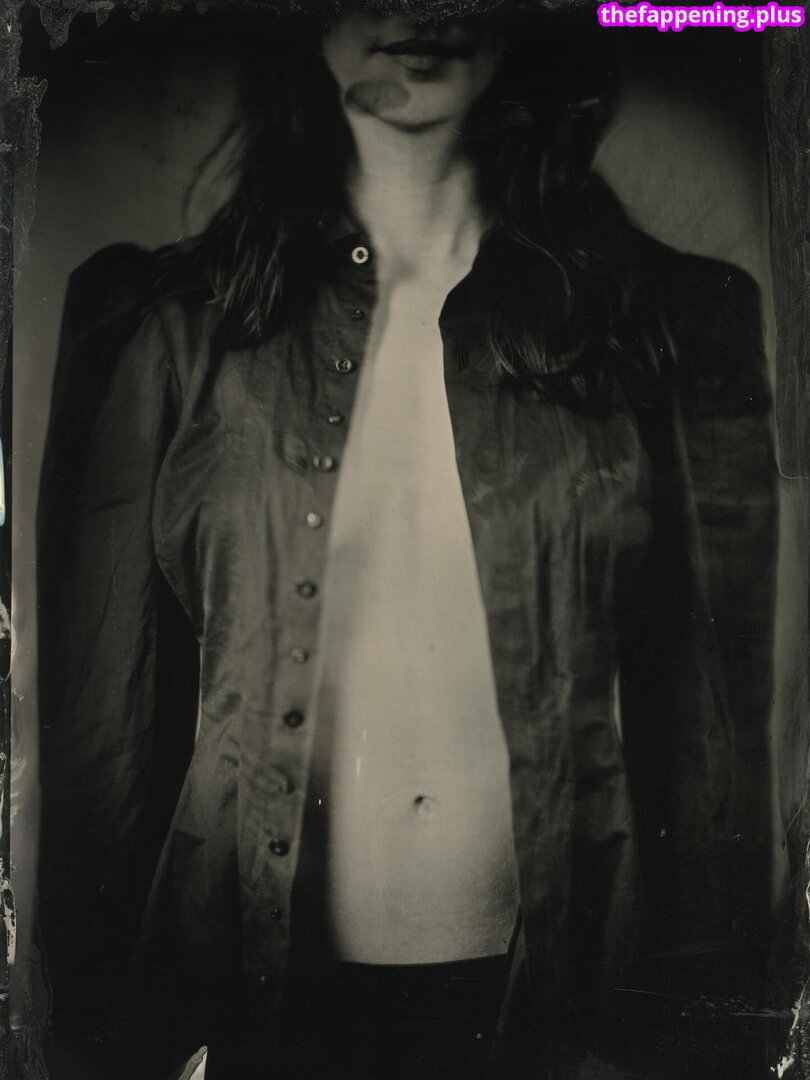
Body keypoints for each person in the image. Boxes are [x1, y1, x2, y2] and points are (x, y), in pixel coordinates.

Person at [35, 4, 778, 1078]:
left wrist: (699, 1040)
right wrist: (102, 1046)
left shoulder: (667, 322)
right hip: (267, 1005)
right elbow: (102, 727)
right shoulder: (164, 327)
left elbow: (714, 734)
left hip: (559, 1015)